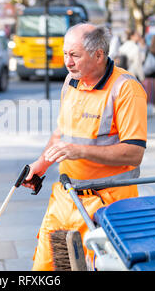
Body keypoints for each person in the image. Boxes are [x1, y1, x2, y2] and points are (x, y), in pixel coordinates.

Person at [23, 23, 147, 271]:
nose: (67, 62)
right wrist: (41, 164)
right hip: (66, 198)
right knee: (45, 268)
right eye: (65, 53)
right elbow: (62, 133)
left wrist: (79, 151)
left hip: (108, 206)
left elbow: (134, 154)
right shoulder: (71, 81)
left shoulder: (126, 89)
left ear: (99, 55)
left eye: (74, 55)